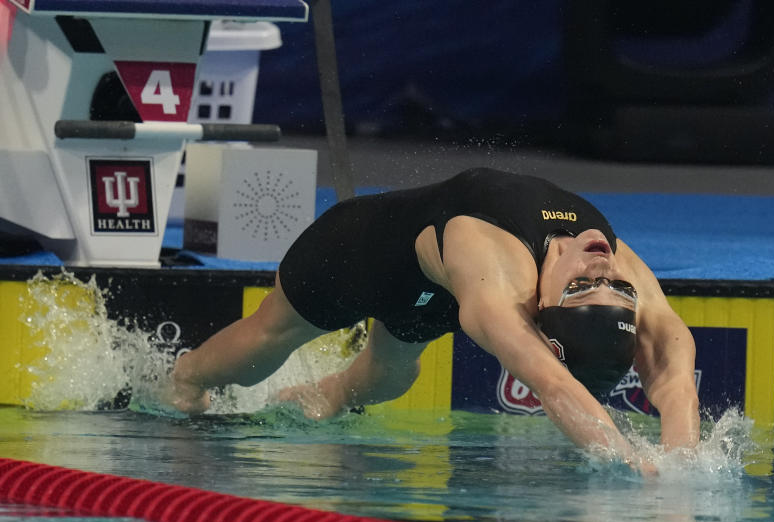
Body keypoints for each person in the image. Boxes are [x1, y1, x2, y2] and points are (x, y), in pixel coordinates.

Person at [171, 168, 700, 472]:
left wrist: (678, 477)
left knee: (389, 377)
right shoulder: (499, 274)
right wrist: (637, 466)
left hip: (437, 291)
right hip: (356, 253)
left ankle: (326, 395)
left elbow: (673, 384)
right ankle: (186, 378)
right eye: (609, 284)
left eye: (589, 285)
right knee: (266, 344)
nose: (603, 265)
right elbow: (553, 382)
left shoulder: (545, 287)